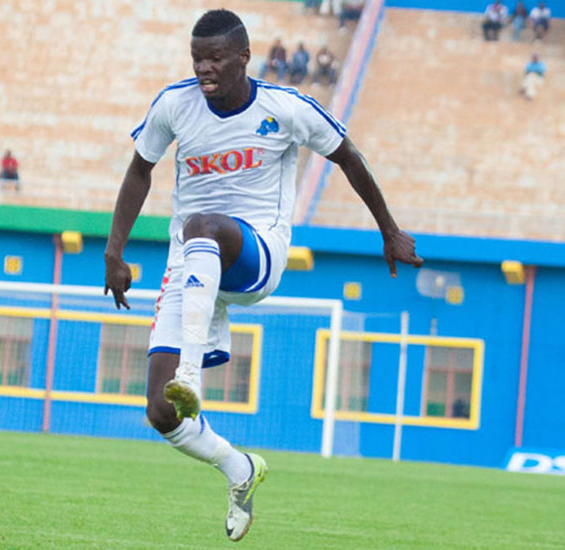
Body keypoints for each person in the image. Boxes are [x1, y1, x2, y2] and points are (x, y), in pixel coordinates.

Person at [104, 8, 422, 542]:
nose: (203, 68)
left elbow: (349, 157)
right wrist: (114, 252)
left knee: (203, 225)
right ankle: (240, 468)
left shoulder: (286, 109)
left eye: (215, 58)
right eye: (197, 58)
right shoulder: (174, 105)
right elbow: (140, 170)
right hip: (189, 266)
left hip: (258, 252)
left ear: (244, 58)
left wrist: (388, 230)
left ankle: (191, 375)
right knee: (160, 411)